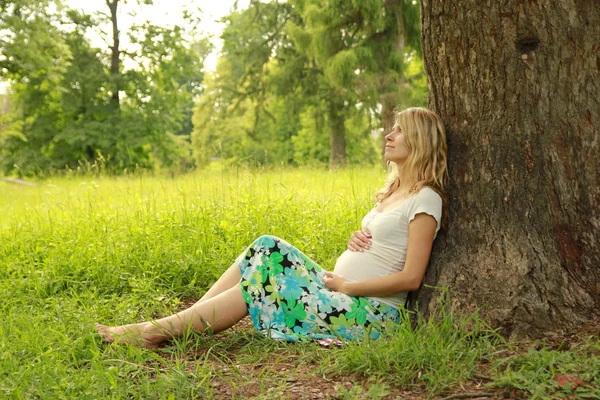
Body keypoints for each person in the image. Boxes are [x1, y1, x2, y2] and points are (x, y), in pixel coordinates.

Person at [96, 107, 448, 348]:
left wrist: (349, 285)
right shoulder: (394, 190)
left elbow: (411, 278)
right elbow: (386, 242)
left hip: (370, 313)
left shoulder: (426, 198)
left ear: (419, 140)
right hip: (343, 293)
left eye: (400, 130)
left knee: (261, 280)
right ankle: (184, 321)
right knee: (266, 244)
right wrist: (358, 240)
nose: (389, 134)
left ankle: (153, 332)